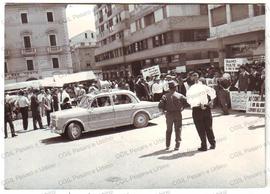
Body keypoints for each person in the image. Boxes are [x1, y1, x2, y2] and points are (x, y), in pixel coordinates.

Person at [186, 72, 216, 151]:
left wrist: (199, 104)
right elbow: (213, 92)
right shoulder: (204, 86)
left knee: (200, 128)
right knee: (208, 127)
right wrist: (211, 101)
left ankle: (204, 145)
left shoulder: (191, 89)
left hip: (197, 109)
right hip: (206, 108)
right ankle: (212, 144)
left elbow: (189, 101)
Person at [158, 80, 186, 151]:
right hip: (178, 114)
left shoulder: (165, 96)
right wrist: (182, 108)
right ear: (175, 87)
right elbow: (187, 101)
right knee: (178, 129)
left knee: (169, 130)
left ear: (169, 88)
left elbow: (160, 106)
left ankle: (167, 145)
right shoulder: (180, 95)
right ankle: (177, 145)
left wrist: (164, 112)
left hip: (169, 114)